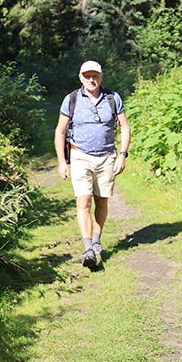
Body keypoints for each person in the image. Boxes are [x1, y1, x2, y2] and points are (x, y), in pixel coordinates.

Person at [54, 61, 131, 268]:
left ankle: (97, 241)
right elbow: (60, 131)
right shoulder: (71, 99)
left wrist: (122, 155)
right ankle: (88, 248)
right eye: (87, 76)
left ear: (101, 76)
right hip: (80, 156)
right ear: (80, 77)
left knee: (102, 201)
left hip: (106, 157)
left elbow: (124, 127)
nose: (91, 79)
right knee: (84, 200)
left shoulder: (112, 98)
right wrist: (62, 161)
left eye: (95, 75)